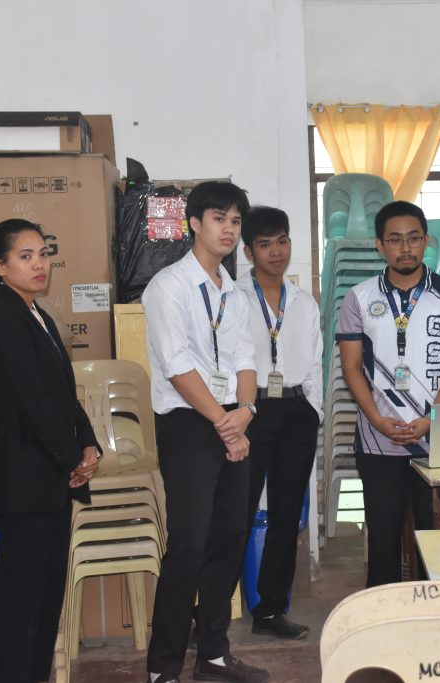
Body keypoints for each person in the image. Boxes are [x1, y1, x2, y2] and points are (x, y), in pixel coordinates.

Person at [142, 182, 268, 683]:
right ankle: (163, 667)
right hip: (189, 424)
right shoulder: (168, 286)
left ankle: (213, 654)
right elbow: (176, 365)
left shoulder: (233, 291)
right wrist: (226, 424)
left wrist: (247, 412)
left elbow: (246, 358)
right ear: (194, 223)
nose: (229, 230)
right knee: (189, 546)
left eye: (235, 221)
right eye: (219, 219)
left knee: (229, 539)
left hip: (232, 420)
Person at [0, 218, 101, 683]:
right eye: (25, 256)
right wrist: (73, 459)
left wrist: (88, 443)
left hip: (50, 480)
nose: (39, 264)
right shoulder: (2, 318)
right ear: (0, 267)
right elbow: (32, 401)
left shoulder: (36, 314)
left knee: (46, 600)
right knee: (20, 604)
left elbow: (63, 393)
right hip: (25, 482)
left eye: (43, 254)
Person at [336, 201, 440, 587]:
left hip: (436, 436)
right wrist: (377, 420)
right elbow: (351, 367)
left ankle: (438, 605)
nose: (405, 247)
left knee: (437, 533)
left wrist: (432, 419)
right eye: (395, 240)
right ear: (380, 245)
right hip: (377, 438)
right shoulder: (358, 297)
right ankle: (383, 610)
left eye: (413, 238)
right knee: (383, 535)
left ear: (426, 241)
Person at [235, 206, 322, 639]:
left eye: (282, 241)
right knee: (237, 511)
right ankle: (211, 610)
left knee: (287, 514)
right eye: (265, 244)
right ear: (248, 251)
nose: (276, 252)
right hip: (250, 411)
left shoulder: (303, 302)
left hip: (296, 411)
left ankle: (270, 610)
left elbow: (316, 361)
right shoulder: (233, 298)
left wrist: (314, 409)